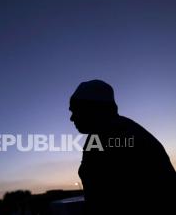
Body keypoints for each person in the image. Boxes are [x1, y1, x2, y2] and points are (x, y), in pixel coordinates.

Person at [69, 80, 176, 215]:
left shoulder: (123, 136)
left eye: (75, 110)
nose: (72, 118)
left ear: (93, 109)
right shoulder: (99, 136)